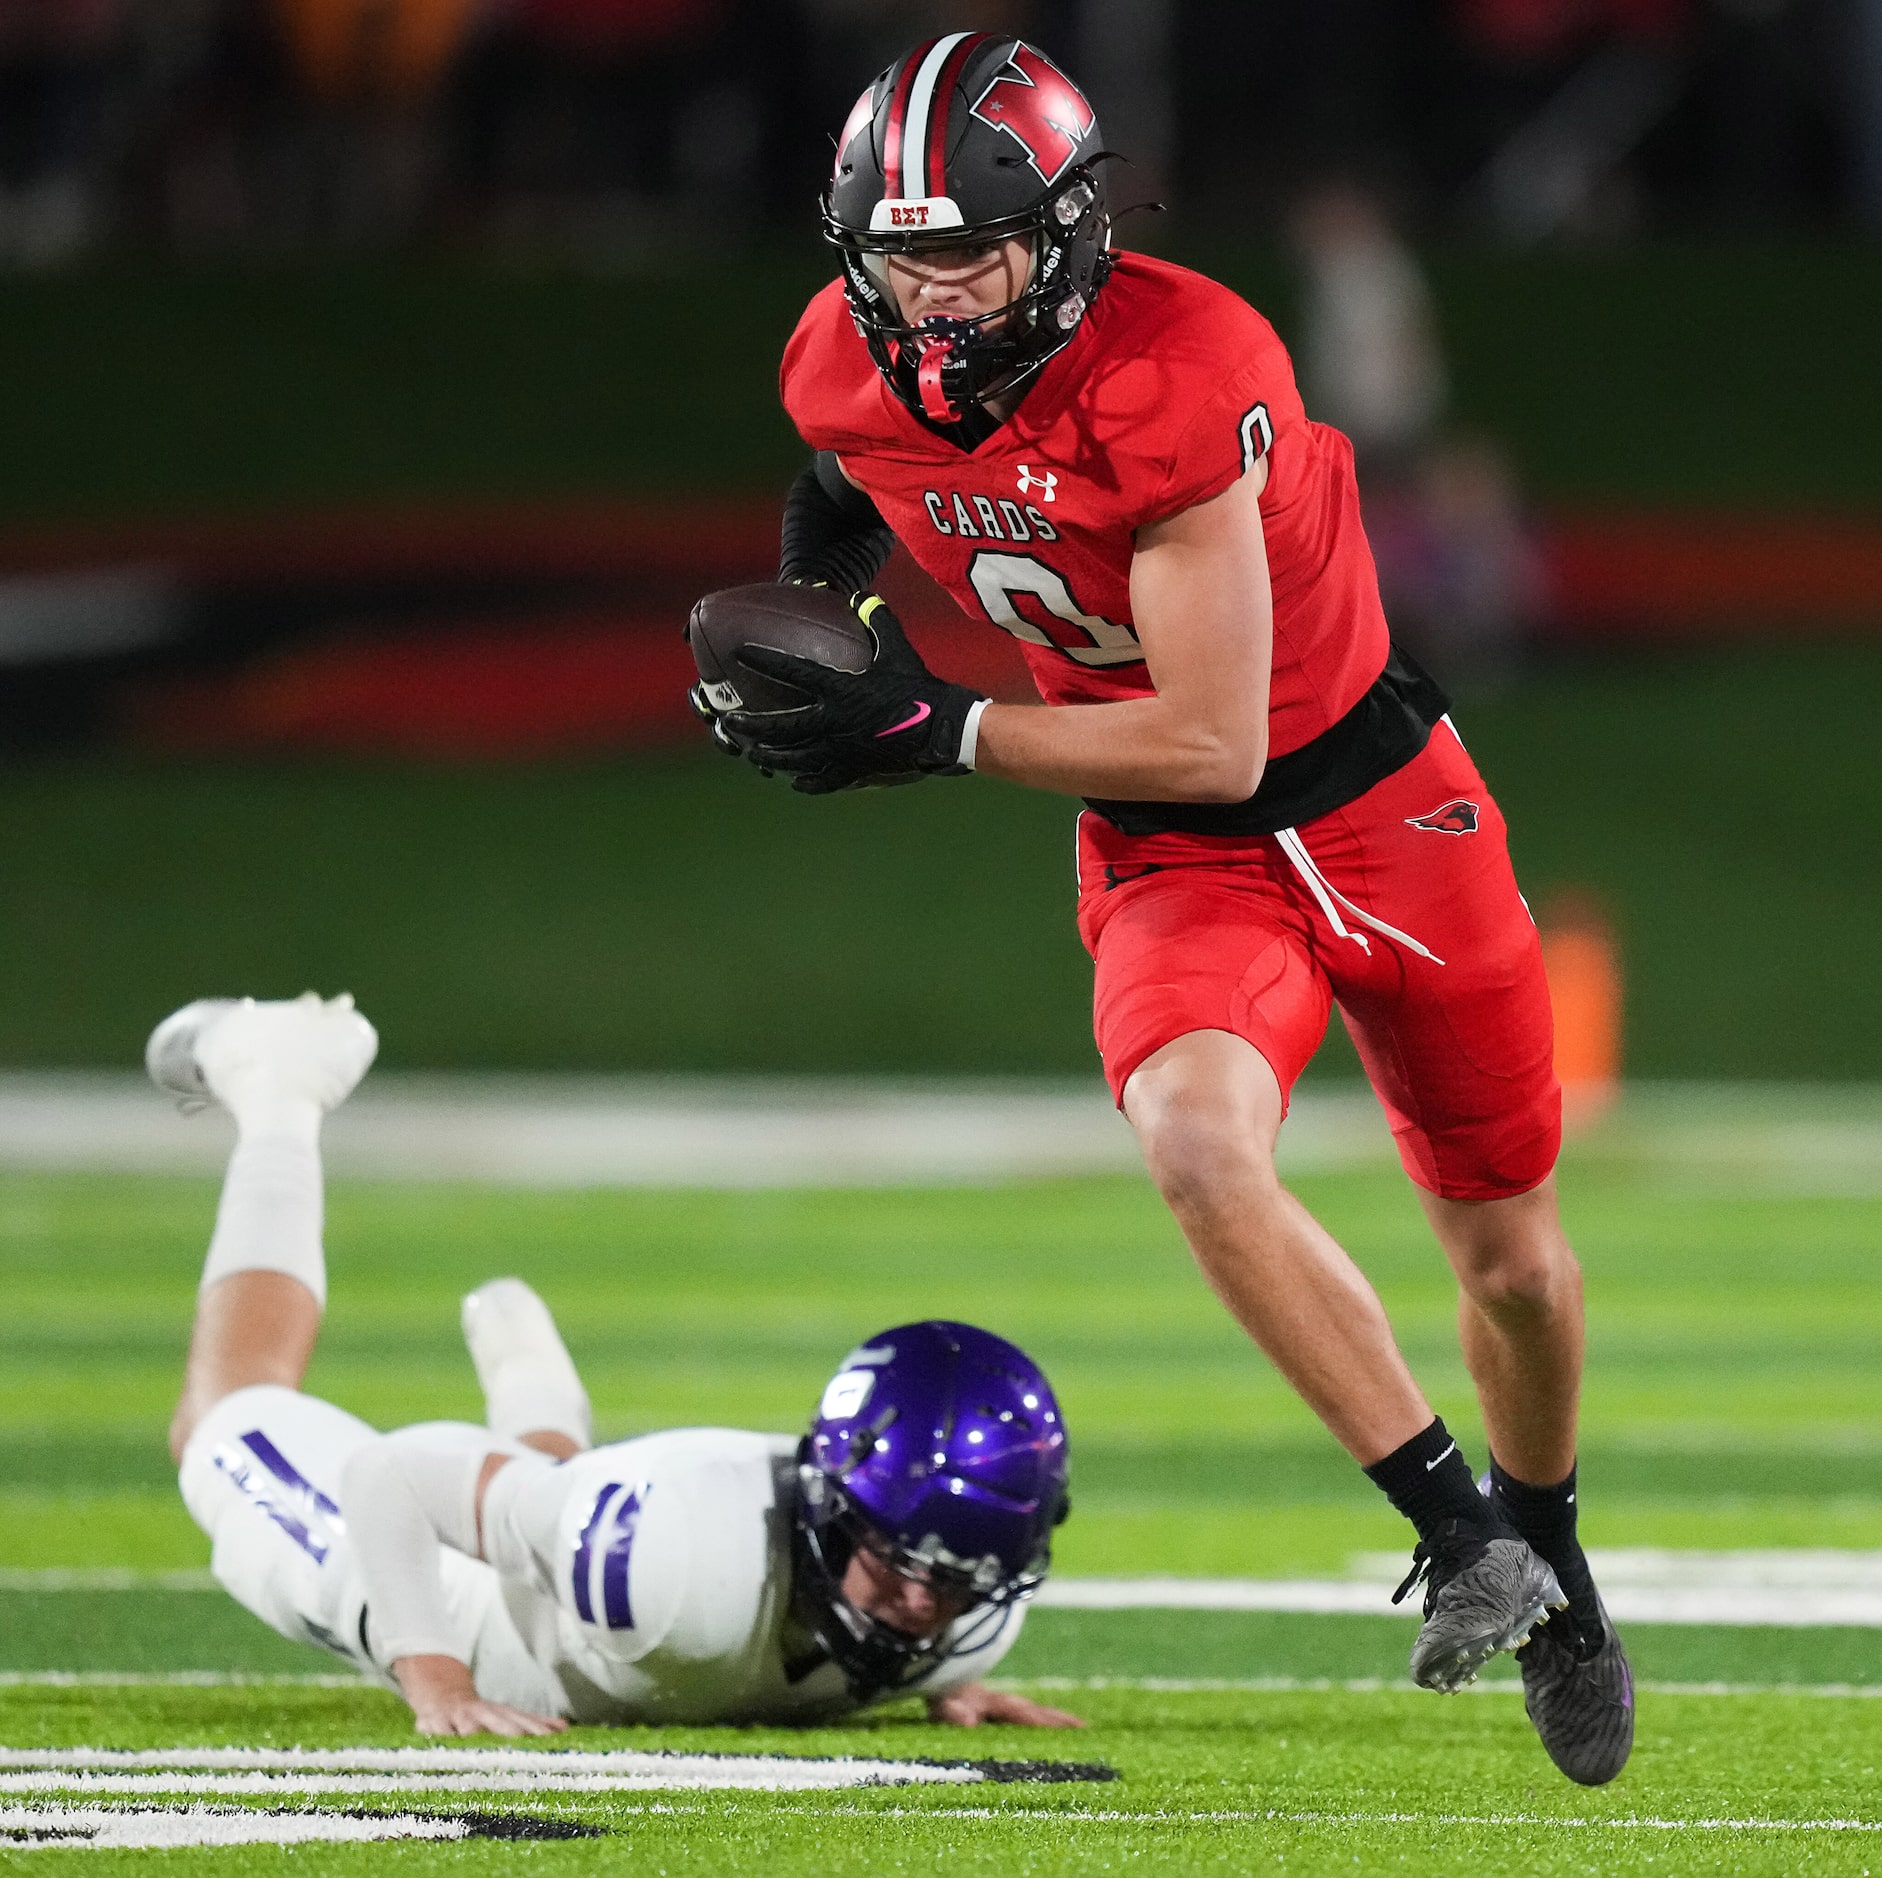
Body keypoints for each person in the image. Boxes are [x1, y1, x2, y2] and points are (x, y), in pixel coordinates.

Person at [688, 32, 1633, 1786]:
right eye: (902, 254)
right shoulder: (843, 360)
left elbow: (1208, 734)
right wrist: (807, 609)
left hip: (1370, 800)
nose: (940, 292)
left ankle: (1549, 1538)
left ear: (1066, 234)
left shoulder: (1184, 371)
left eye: (974, 247)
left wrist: (925, 726)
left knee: (1509, 1260)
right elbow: (849, 473)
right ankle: (1456, 1528)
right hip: (1168, 851)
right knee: (1196, 1139)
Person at [150, 992, 1081, 1736]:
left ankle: (534, 1389)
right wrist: (432, 1672)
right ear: (836, 1508)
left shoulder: (971, 1619)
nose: (923, 1605)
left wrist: (945, 1684)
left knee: (549, 1500)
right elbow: (388, 1475)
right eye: (897, 1562)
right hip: (470, 1601)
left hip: (577, 1556)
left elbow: (937, 1600)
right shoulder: (674, 1551)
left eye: (961, 1579)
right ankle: (277, 1081)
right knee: (220, 1422)